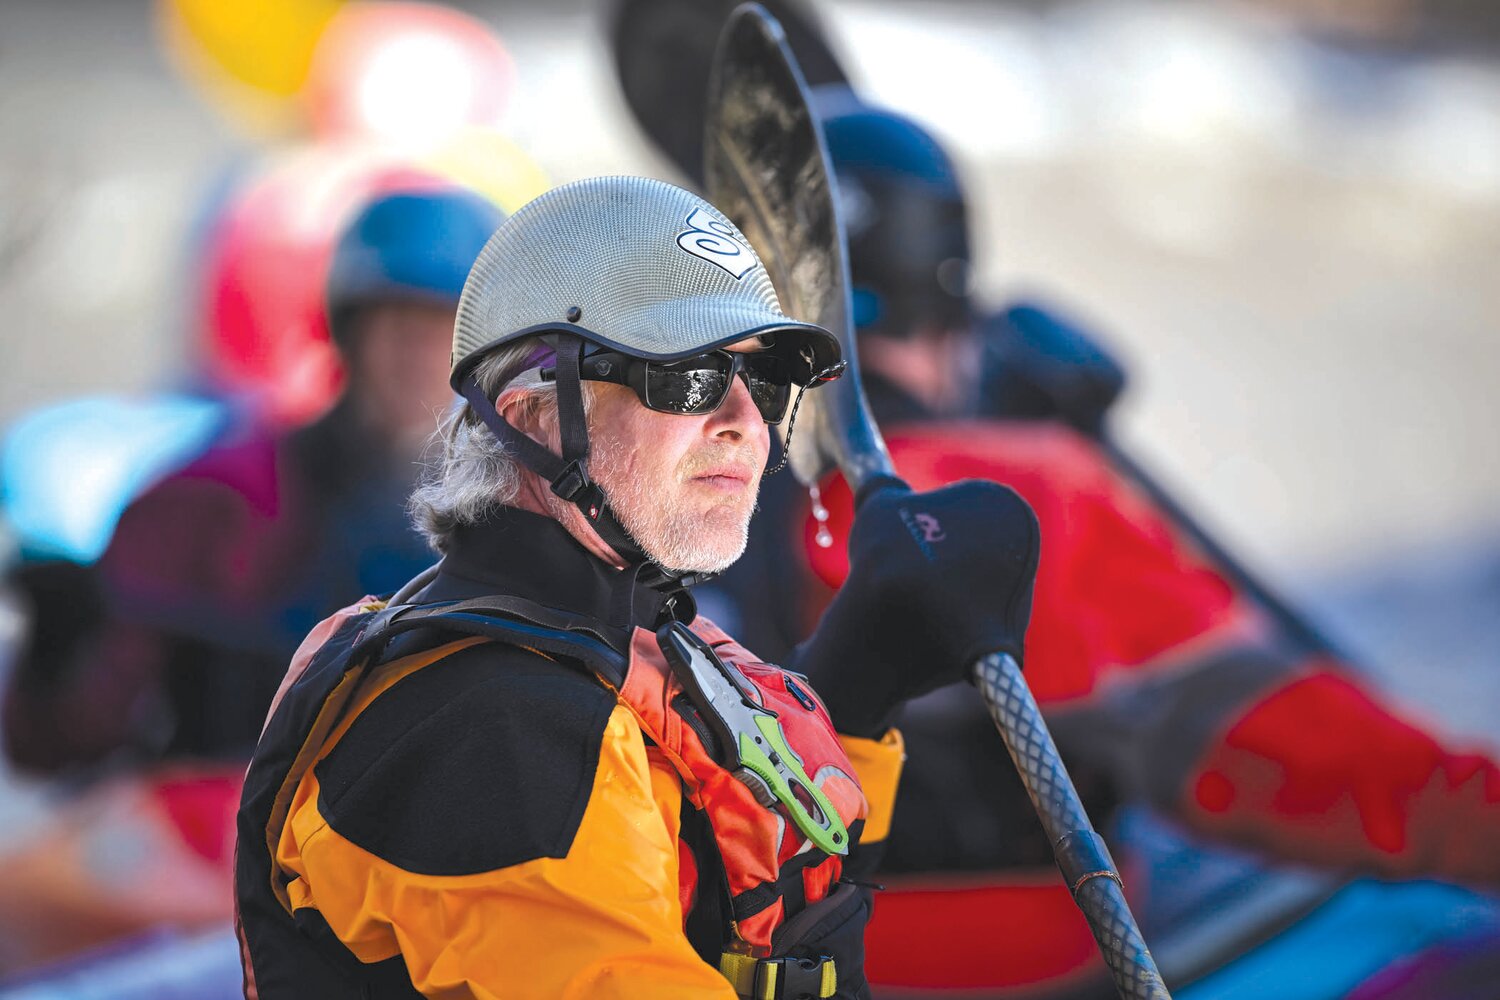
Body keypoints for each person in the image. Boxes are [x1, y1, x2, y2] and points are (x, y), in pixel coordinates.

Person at [706, 103, 1500, 996]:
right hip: (998, 971)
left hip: (735, 960)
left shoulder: (643, 470)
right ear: (953, 308)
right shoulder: (1022, 490)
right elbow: (1278, 757)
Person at [234, 175, 1041, 999]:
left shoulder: (624, 643)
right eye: (686, 377)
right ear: (538, 415)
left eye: (763, 383)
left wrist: (866, 675)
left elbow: (746, 878)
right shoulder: (498, 733)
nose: (745, 420)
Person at [0, 183, 503, 970]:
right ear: (347, 334)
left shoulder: (542, 523)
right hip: (214, 885)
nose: (416, 354)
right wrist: (60, 654)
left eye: (442, 331)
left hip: (444, 896)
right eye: (395, 325)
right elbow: (59, 740)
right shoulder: (214, 502)